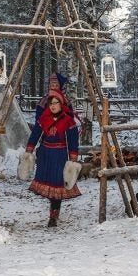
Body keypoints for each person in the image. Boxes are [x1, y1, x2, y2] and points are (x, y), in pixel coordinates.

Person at [25, 84, 81, 227]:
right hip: (45, 155)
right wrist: (29, 150)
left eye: (56, 103)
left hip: (60, 156)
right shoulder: (44, 118)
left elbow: (73, 140)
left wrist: (73, 157)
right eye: (51, 103)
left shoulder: (68, 120)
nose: (53, 106)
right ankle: (53, 210)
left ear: (61, 104)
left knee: (57, 185)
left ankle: (54, 215)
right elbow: (35, 134)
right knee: (49, 186)